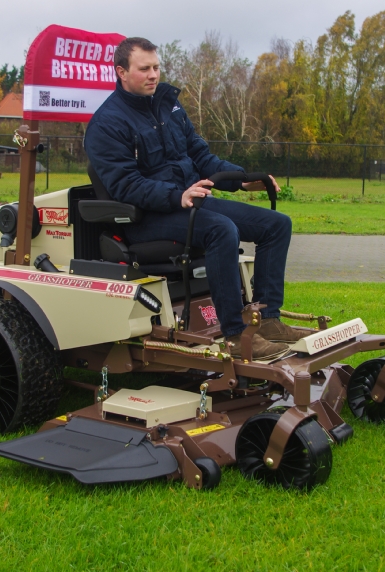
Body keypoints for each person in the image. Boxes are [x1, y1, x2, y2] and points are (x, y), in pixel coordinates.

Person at [84, 37, 310, 360]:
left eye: (156, 67)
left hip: (190, 204)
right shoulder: (106, 124)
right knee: (221, 230)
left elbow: (202, 157)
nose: (153, 75)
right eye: (144, 69)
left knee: (276, 225)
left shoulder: (168, 106)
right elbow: (126, 186)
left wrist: (244, 181)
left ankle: (268, 321)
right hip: (147, 219)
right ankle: (235, 335)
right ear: (121, 71)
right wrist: (178, 196)